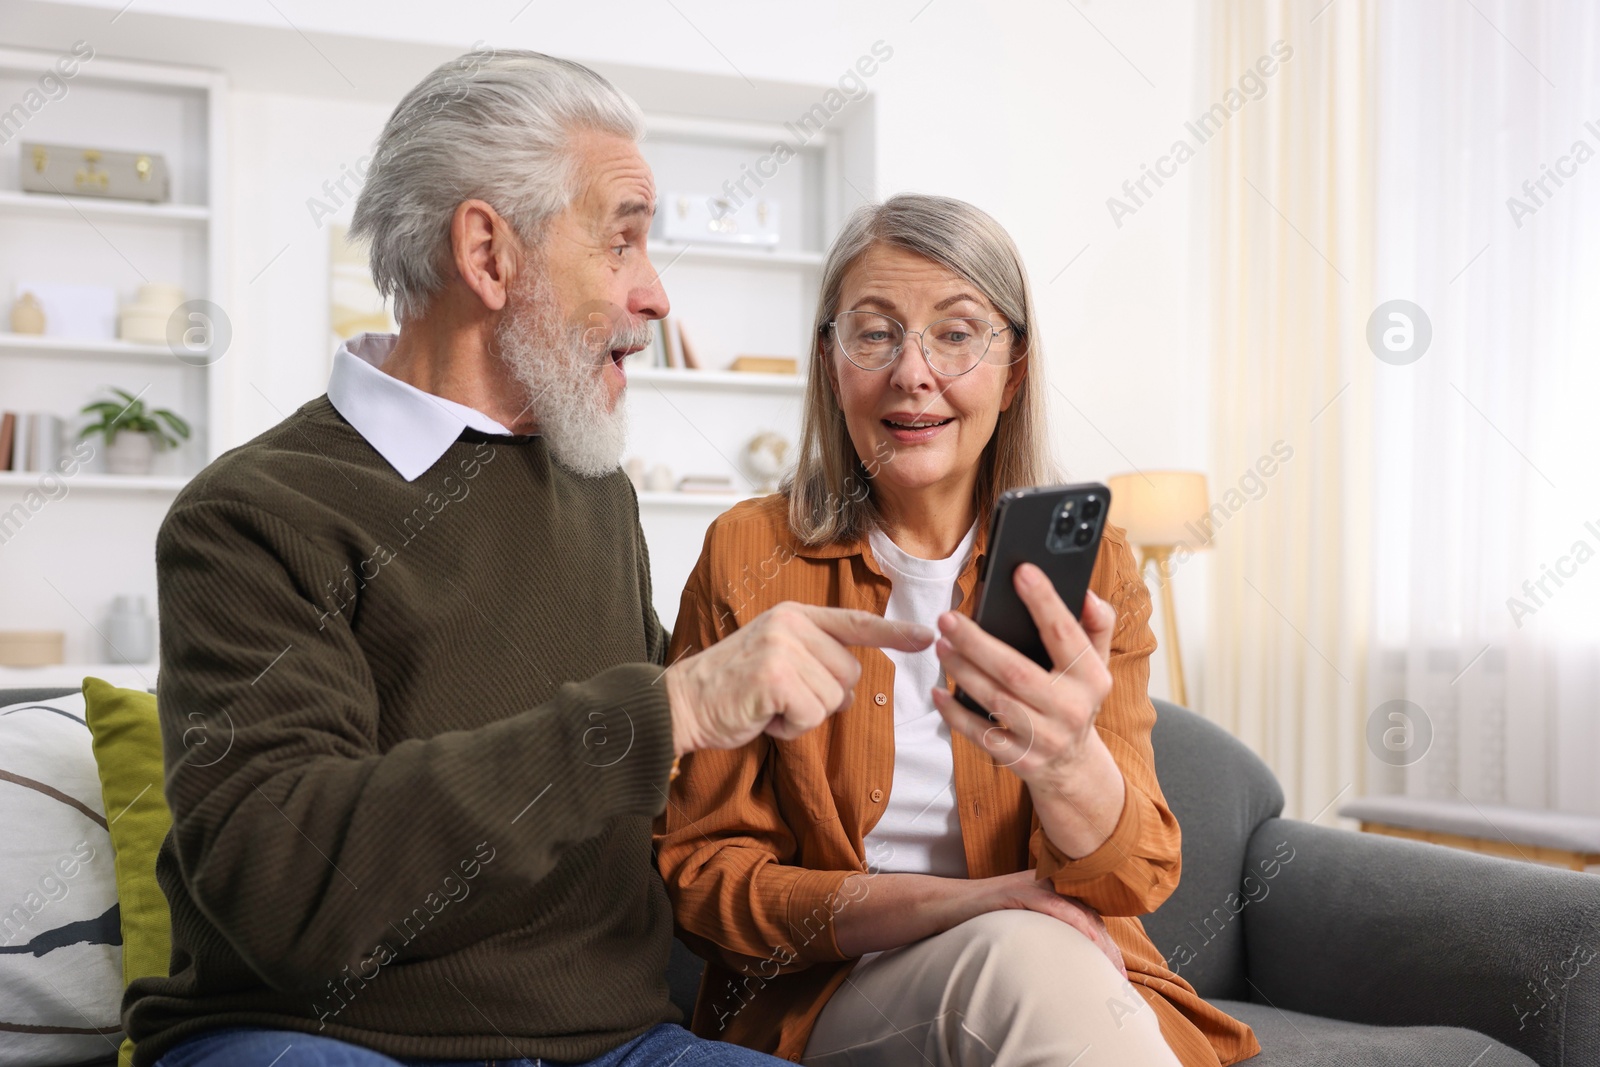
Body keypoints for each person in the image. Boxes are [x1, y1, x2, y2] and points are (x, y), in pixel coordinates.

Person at [128, 51, 932, 1067]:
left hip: (616, 1044)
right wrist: (665, 709)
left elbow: (678, 797)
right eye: (623, 240)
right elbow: (282, 882)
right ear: (489, 254)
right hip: (320, 1037)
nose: (654, 295)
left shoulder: (597, 491)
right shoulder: (250, 515)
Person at [655, 195, 1261, 1066]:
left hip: (1069, 978)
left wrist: (1065, 761)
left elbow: (1133, 876)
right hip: (829, 996)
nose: (912, 372)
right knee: (1023, 955)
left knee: (1036, 960)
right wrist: (961, 905)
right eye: (874, 334)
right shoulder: (749, 554)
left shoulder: (1097, 571)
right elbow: (706, 880)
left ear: (1013, 370)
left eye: (957, 333)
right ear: (831, 362)